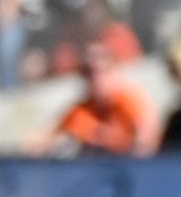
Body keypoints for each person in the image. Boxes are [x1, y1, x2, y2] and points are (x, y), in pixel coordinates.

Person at [30, 43, 159, 158]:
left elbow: (147, 140)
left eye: (102, 71)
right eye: (89, 73)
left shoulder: (130, 102)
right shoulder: (82, 111)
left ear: (115, 70)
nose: (96, 79)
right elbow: (46, 141)